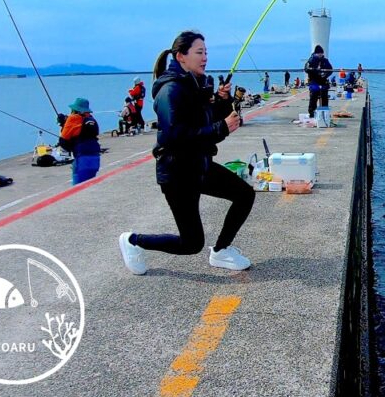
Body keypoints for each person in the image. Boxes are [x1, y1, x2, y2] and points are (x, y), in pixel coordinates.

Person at [118, 30, 254, 274]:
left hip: (198, 165)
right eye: (199, 52)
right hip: (177, 173)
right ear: (181, 56)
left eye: (206, 53)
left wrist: (222, 102)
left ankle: (221, 250)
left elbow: (205, 119)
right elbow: (175, 136)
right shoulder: (171, 90)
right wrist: (221, 128)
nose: (205, 58)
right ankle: (133, 241)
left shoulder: (195, 84)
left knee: (244, 194)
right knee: (191, 243)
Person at [58, 98, 101, 185]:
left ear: (76, 110)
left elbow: (63, 141)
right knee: (89, 187)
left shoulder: (73, 119)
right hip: (95, 158)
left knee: (78, 190)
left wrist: (64, 125)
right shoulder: (91, 120)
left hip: (82, 159)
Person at [305, 44, 333, 118]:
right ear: (315, 53)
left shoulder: (325, 60)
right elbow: (306, 69)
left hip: (323, 81)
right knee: (314, 92)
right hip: (314, 81)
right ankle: (312, 112)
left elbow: (330, 69)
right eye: (319, 53)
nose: (320, 55)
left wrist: (325, 75)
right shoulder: (311, 60)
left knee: (324, 93)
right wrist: (313, 70)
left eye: (321, 53)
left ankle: (325, 112)